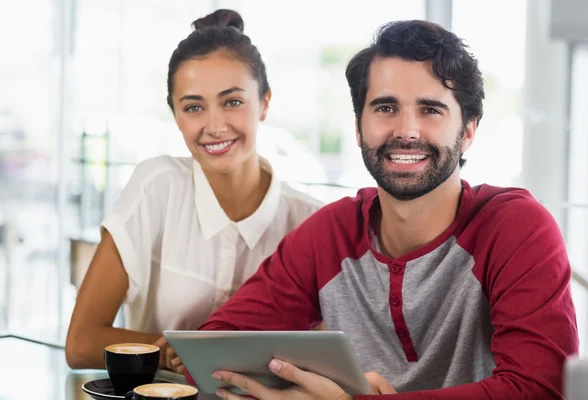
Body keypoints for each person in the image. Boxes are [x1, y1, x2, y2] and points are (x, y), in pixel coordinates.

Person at [189, 20, 579, 399]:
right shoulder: (331, 232)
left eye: (430, 110)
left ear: (469, 132)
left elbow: (539, 389)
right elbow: (208, 351)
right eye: (386, 108)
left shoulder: (517, 229)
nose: (406, 131)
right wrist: (321, 383)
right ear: (359, 128)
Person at [65, 9, 323, 373]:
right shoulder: (157, 187)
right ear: (176, 116)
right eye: (193, 107)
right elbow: (80, 343)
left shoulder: (310, 221)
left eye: (232, 101)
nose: (214, 126)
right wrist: (174, 353)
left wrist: (188, 350)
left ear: (264, 103)